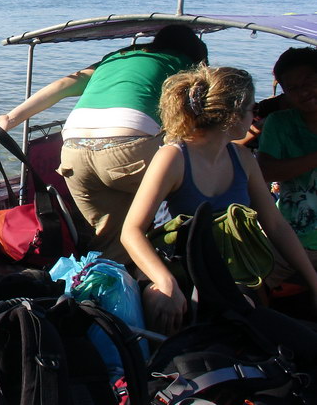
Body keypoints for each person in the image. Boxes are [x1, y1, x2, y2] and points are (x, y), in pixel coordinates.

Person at [0, 24, 207, 263]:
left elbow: (64, 84)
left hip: (73, 153)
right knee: (197, 187)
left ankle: (108, 290)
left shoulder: (116, 57)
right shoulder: (184, 63)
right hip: (130, 149)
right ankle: (185, 268)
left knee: (112, 241)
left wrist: (9, 118)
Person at [120, 66, 317, 334]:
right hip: (173, 265)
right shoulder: (174, 156)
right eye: (251, 108)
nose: (254, 117)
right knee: (163, 304)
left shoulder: (242, 158)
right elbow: (131, 232)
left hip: (226, 269)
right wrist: (166, 282)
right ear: (232, 116)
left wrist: (313, 281)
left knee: (245, 315)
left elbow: (276, 226)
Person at [257, 47, 317, 287]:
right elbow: (266, 171)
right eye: (293, 89)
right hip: (290, 238)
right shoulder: (279, 123)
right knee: (245, 286)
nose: (304, 92)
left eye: (309, 82)